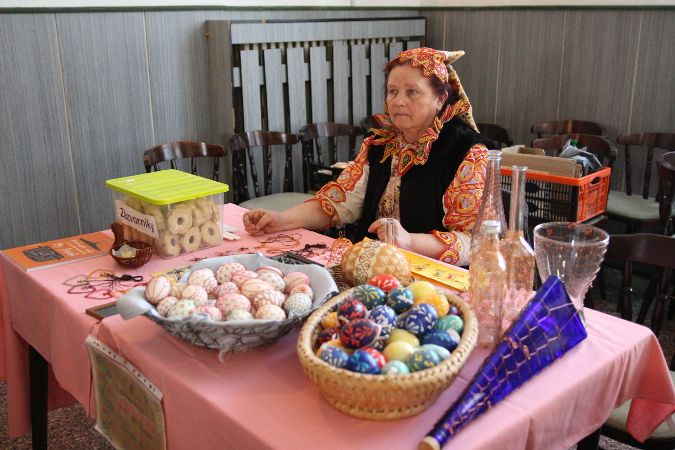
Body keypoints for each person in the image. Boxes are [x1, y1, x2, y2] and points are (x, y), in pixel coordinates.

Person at [243, 47, 491, 266]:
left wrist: (408, 241)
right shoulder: (380, 145)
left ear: (440, 99)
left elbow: (475, 242)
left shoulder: (466, 153)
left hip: (432, 280)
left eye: (412, 92)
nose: (399, 101)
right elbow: (339, 202)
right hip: (373, 268)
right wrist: (281, 220)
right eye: (392, 91)